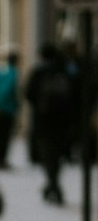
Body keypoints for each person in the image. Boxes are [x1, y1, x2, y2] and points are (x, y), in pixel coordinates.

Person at [25, 42, 77, 205]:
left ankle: (52, 185)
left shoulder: (39, 71)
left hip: (43, 120)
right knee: (58, 153)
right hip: (63, 120)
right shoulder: (67, 70)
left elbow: (29, 94)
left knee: (47, 154)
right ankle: (53, 185)